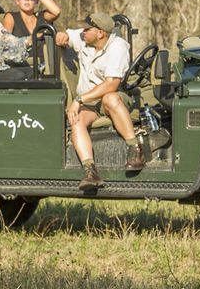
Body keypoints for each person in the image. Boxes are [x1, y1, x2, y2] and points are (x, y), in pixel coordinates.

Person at [54, 12, 141, 189]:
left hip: (113, 98)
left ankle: (135, 149)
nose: (82, 32)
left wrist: (79, 99)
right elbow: (66, 35)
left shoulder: (119, 47)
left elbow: (111, 85)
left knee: (110, 98)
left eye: (87, 29)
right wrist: (61, 35)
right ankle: (90, 171)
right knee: (76, 120)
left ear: (100, 33)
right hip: (90, 104)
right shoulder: (84, 40)